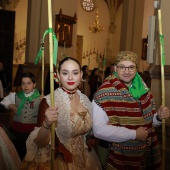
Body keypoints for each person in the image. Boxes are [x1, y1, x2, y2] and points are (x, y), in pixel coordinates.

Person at [92, 51, 170, 169]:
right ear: (115, 68)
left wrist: (158, 117)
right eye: (122, 67)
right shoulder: (104, 93)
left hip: (144, 154)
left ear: (136, 68)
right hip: (115, 152)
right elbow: (99, 130)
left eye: (131, 67)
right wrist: (134, 134)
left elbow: (148, 124)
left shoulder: (144, 91)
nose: (127, 71)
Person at [20, 57, 102, 170]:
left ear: (81, 75)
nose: (70, 77)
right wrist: (46, 124)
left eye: (75, 72)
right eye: (65, 73)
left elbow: (89, 132)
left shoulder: (85, 99)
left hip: (86, 159)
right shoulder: (49, 101)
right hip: (60, 160)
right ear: (58, 76)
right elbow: (40, 143)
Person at [0, 72, 43, 160]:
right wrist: (10, 105)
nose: (25, 86)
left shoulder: (40, 98)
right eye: (23, 83)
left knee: (29, 154)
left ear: (34, 84)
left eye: (29, 83)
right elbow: (3, 101)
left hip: (31, 131)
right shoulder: (15, 96)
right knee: (18, 152)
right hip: (17, 130)